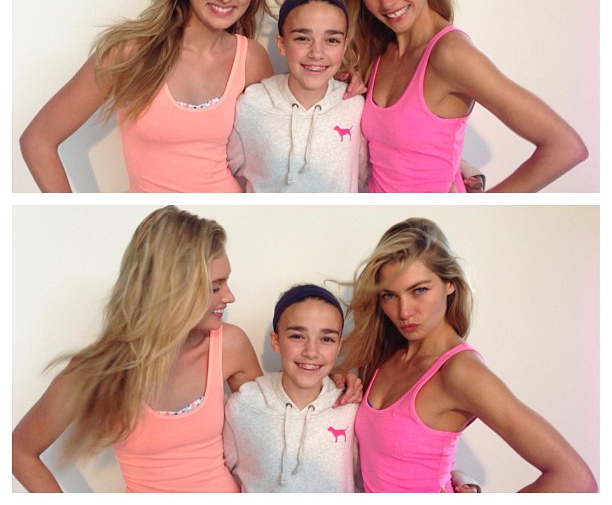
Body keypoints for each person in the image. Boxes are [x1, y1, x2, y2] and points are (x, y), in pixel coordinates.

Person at [11, 207, 360, 493]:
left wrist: (332, 380)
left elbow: (272, 417)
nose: (229, 296)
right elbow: (18, 452)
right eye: (215, 287)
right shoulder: (98, 369)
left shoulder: (229, 345)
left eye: (226, 282)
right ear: (171, 289)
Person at [317, 0, 588, 192]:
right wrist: (347, 82)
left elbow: (565, 147)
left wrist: (480, 209)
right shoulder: (379, 50)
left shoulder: (450, 54)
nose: (386, 2)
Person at [19, 0, 279, 193]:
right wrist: (73, 212)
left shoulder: (251, 59)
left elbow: (269, 160)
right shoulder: (128, 54)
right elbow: (38, 141)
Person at [338, 217, 598, 492]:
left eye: (419, 290)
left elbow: (576, 480)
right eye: (389, 295)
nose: (404, 312)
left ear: (450, 283)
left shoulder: (460, 371)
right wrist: (339, 383)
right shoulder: (387, 354)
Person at [227, 0, 369, 192]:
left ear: (344, 47)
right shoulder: (251, 104)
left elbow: (364, 177)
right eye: (302, 38)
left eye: (332, 40)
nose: (317, 53)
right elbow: (227, 173)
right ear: (282, 44)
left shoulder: (355, 106)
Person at [223, 284, 359, 491]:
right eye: (297, 336)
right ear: (276, 341)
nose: (311, 352)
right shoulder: (244, 405)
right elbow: (222, 474)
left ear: (339, 346)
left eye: (326, 339)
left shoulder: (351, 407)